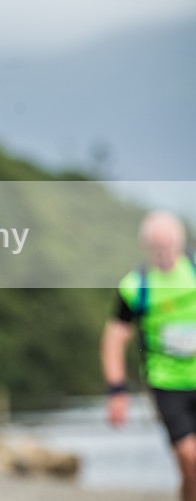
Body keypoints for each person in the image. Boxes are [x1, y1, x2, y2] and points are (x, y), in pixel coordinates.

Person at [101, 210, 196, 500]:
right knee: (190, 458)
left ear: (181, 243)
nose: (164, 254)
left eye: (169, 247)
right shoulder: (135, 286)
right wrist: (117, 391)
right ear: (147, 248)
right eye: (157, 249)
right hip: (166, 383)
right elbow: (114, 340)